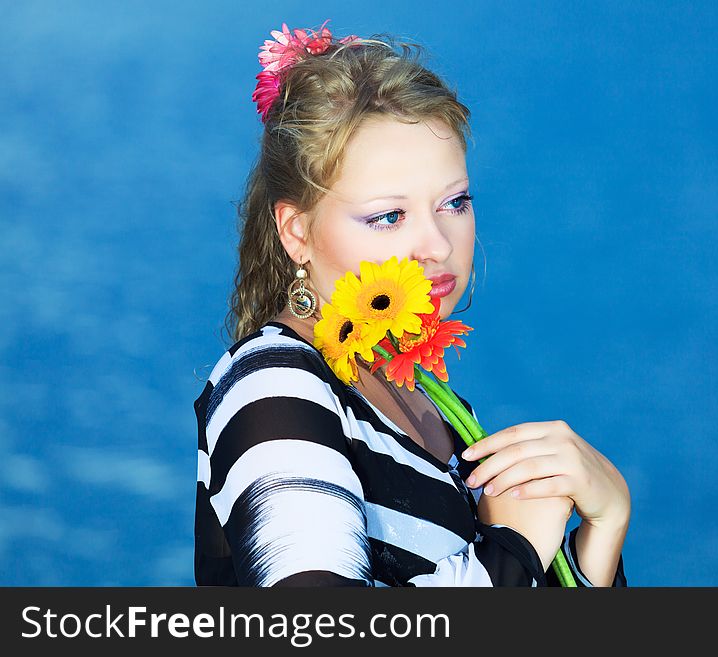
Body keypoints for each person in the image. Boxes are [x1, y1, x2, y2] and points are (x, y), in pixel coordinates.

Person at [194, 19, 630, 587]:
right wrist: (514, 548)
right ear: (296, 232)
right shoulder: (274, 388)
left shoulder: (430, 398)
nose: (438, 245)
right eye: (388, 216)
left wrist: (605, 523)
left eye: (455, 202)